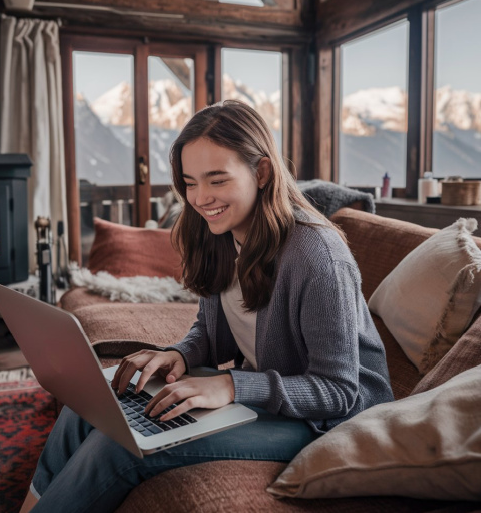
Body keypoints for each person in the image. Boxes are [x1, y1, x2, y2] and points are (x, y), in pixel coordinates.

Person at [20, 100, 394, 513]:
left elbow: (339, 391)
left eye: (216, 180)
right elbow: (210, 331)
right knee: (94, 400)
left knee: (125, 446)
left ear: (262, 172)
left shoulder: (317, 256)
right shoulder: (219, 234)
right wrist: (178, 354)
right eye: (190, 182)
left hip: (327, 422)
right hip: (274, 399)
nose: (200, 198)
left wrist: (232, 386)